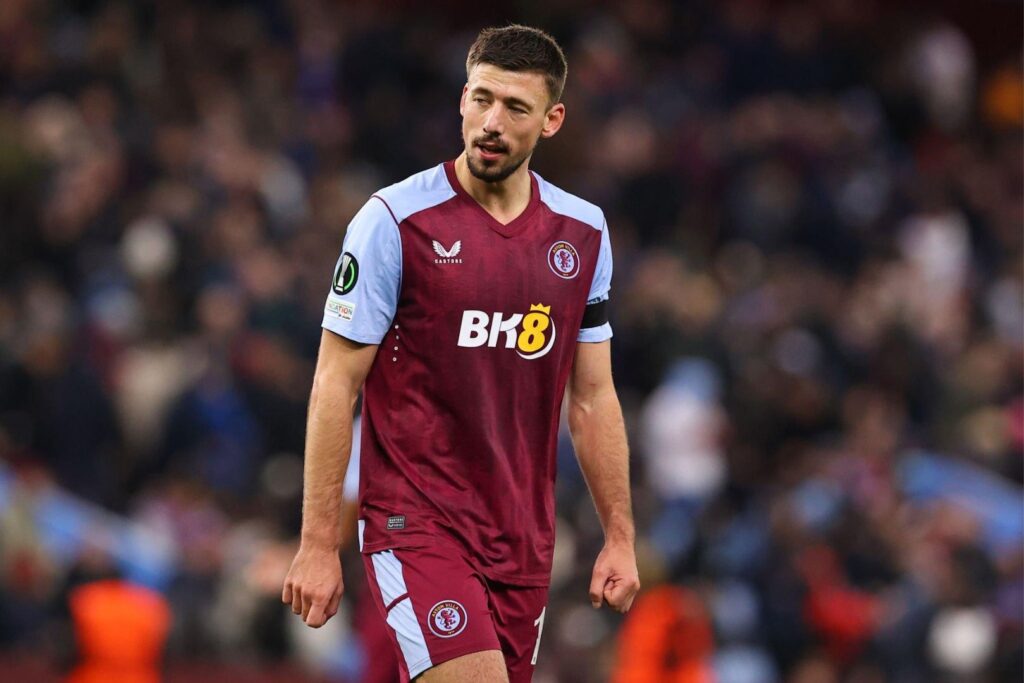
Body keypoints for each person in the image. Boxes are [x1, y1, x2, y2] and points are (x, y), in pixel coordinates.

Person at [282, 24, 639, 683]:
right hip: (416, 522)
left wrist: (620, 534)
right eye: (481, 99)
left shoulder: (583, 234)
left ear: (552, 119)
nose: (491, 122)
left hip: (522, 536)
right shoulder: (392, 221)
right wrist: (317, 541)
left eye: (515, 108)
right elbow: (335, 382)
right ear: (461, 99)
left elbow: (591, 396)